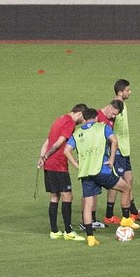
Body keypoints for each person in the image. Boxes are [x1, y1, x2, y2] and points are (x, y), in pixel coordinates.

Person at [65, 107, 125, 247]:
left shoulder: (77, 133)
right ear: (96, 118)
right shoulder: (102, 127)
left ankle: (90, 238)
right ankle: (126, 219)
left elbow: (66, 150)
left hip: (86, 172)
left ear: (84, 119)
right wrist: (111, 160)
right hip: (102, 170)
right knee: (126, 188)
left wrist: (76, 165)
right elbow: (114, 141)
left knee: (88, 203)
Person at [38, 103, 88, 241]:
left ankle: (54, 231)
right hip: (58, 165)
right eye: (82, 118)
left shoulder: (59, 120)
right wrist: (47, 155)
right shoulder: (69, 123)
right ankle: (68, 231)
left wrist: (42, 157)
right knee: (68, 196)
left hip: (49, 165)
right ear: (79, 113)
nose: (82, 121)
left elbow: (48, 140)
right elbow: (58, 143)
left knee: (54, 196)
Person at [102, 79, 140, 229]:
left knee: (129, 179)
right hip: (117, 151)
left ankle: (133, 211)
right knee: (115, 183)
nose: (130, 92)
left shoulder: (122, 105)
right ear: (120, 92)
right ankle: (109, 215)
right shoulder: (114, 108)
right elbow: (105, 123)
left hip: (125, 149)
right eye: (127, 90)